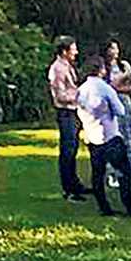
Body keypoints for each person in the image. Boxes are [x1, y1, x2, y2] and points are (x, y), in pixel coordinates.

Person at [75, 55, 131, 217]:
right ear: (101, 70)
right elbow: (120, 110)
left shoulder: (81, 90)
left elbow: (80, 111)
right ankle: (129, 207)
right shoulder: (105, 88)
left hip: (92, 137)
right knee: (125, 171)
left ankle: (104, 207)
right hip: (110, 135)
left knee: (98, 174)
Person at [48, 36, 87, 202]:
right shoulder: (58, 69)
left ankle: (75, 183)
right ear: (64, 51)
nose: (76, 52)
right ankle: (69, 189)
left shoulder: (67, 66)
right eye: (73, 49)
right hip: (66, 113)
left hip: (73, 112)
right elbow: (60, 95)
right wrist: (79, 95)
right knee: (67, 150)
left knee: (73, 148)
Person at [104, 39, 131, 184]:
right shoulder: (104, 67)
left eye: (117, 48)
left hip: (126, 103)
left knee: (130, 134)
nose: (116, 51)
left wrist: (120, 85)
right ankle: (113, 173)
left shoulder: (124, 65)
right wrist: (122, 80)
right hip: (111, 105)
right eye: (112, 48)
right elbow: (108, 86)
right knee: (115, 137)